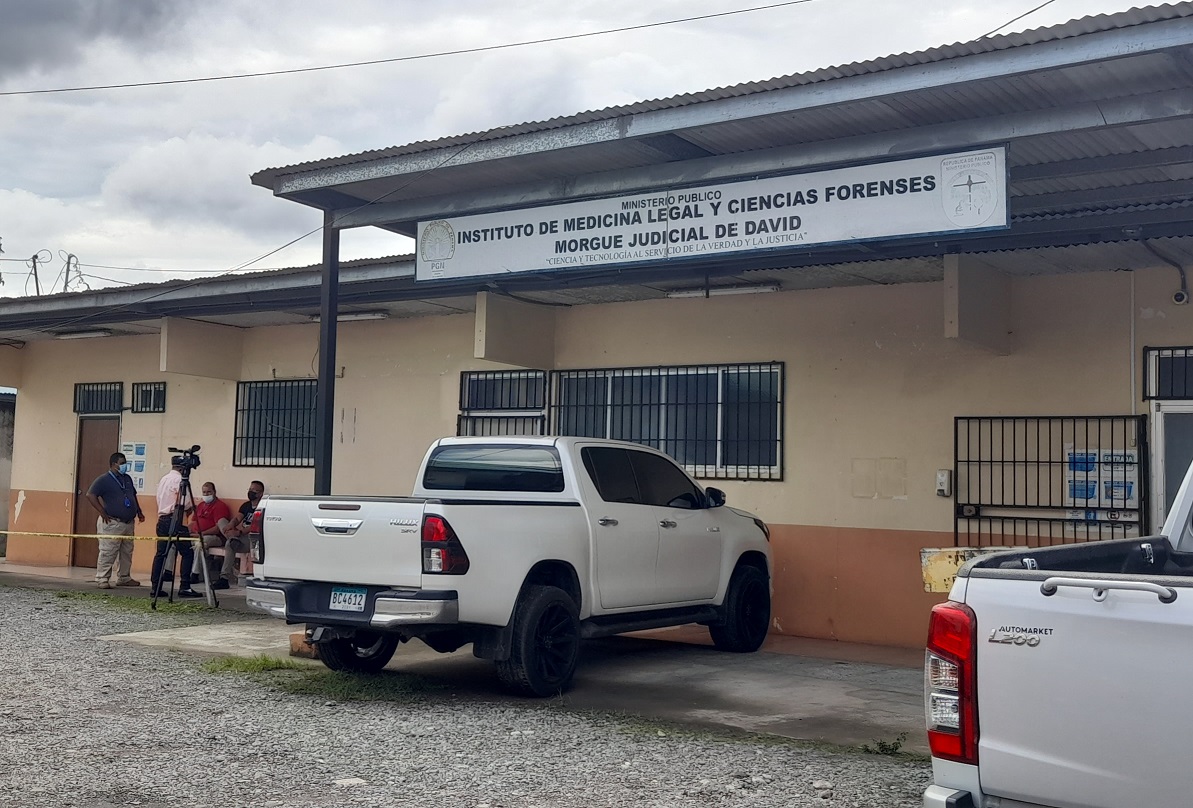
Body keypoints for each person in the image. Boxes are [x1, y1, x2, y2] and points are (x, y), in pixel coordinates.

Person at [85, 451, 146, 588]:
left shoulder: (127, 479)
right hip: (112, 522)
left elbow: (133, 496)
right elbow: (90, 495)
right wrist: (102, 512)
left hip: (128, 522)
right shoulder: (104, 479)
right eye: (122, 463)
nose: (125, 466)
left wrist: (139, 511)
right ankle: (102, 578)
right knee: (108, 551)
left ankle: (124, 577)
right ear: (114, 465)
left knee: (127, 551)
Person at [150, 458, 201, 598]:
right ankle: (185, 586)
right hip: (176, 518)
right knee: (187, 553)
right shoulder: (180, 481)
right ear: (183, 468)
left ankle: (155, 587)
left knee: (161, 554)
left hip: (162, 518)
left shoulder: (164, 479)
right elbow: (186, 502)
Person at [210, 479, 264, 590]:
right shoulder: (246, 505)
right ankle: (232, 537)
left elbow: (255, 527)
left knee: (230, 544)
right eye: (250, 489)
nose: (251, 492)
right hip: (239, 536)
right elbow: (238, 518)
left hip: (252, 539)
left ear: (260, 493)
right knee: (222, 522)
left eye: (254, 490)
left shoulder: (263, 507)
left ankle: (223, 579)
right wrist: (231, 525)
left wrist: (238, 532)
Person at [189, 481, 233, 583]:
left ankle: (195, 574)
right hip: (195, 535)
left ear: (214, 492)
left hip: (214, 537)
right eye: (204, 492)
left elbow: (218, 528)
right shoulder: (200, 505)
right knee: (175, 542)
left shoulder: (220, 506)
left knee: (200, 544)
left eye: (209, 492)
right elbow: (193, 522)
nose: (206, 494)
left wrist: (200, 534)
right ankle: (168, 573)